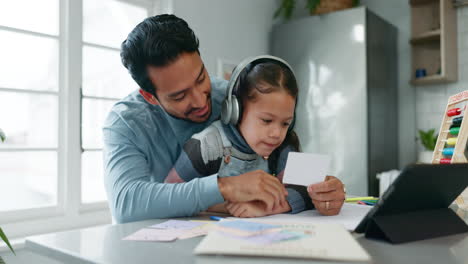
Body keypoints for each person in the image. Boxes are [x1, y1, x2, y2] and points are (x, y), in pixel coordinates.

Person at [103, 14, 345, 223]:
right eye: (180, 96)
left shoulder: (236, 100)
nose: (200, 101)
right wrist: (226, 186)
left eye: (200, 78)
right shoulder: (125, 123)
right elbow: (126, 204)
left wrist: (320, 191)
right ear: (150, 96)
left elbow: (292, 163)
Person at [165, 55, 315, 217]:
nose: (277, 133)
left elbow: (310, 188)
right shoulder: (205, 145)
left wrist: (265, 207)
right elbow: (169, 194)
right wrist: (222, 206)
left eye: (285, 123)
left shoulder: (285, 143)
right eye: (266, 120)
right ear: (235, 111)